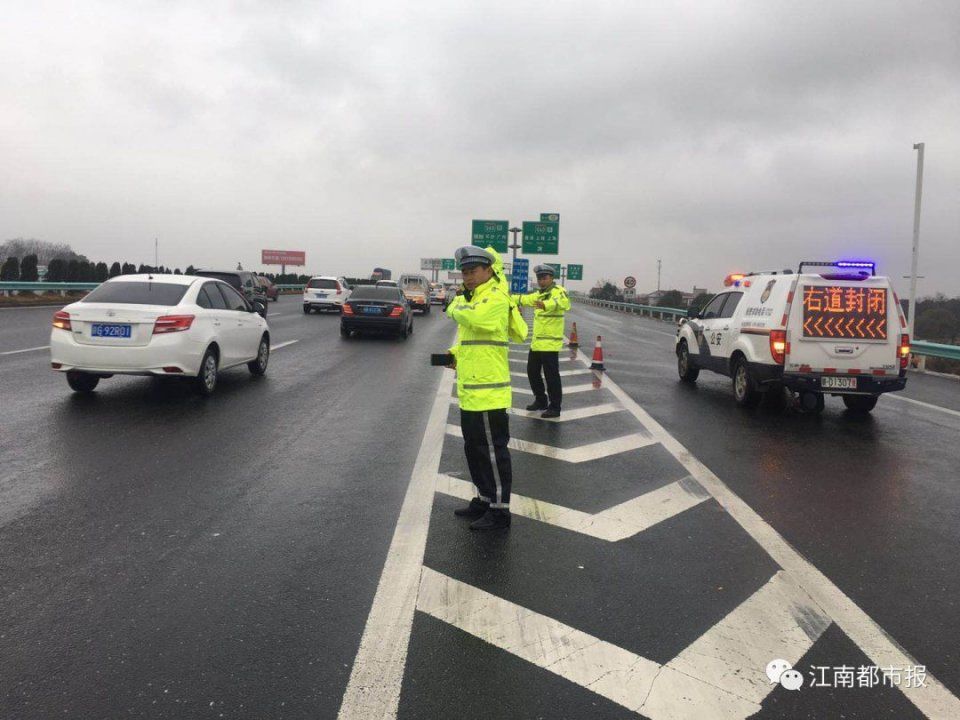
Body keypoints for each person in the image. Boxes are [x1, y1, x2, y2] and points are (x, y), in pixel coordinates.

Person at [445, 245, 514, 531]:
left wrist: (456, 305)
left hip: (490, 393)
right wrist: (453, 354)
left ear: (488, 271)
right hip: (471, 391)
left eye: (473, 271)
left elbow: (476, 319)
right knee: (474, 450)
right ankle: (484, 499)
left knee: (493, 454)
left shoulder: (496, 297)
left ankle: (500, 512)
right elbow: (467, 337)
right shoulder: (474, 298)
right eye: (464, 272)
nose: (468, 277)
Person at [516, 264, 571, 418]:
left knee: (551, 376)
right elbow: (523, 299)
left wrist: (546, 305)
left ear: (551, 278)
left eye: (544, 278)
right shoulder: (538, 294)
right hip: (537, 343)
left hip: (550, 344)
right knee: (532, 372)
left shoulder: (559, 291)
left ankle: (555, 407)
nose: (541, 281)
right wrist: (505, 298)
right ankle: (541, 400)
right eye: (539, 278)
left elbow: (563, 303)